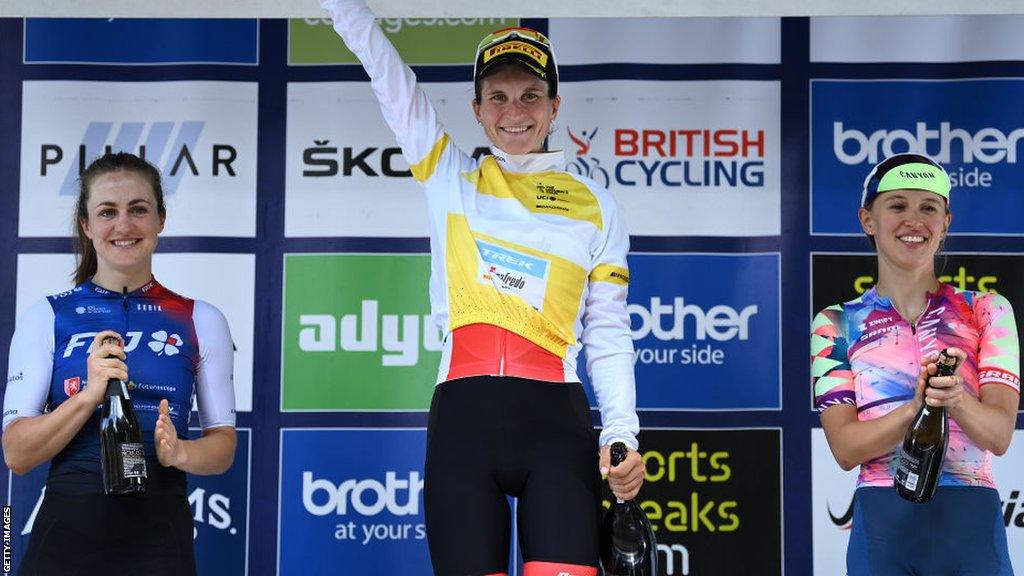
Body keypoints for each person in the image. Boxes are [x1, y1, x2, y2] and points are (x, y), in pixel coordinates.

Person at [319, 2, 645, 575]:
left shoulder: (597, 207)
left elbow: (609, 330)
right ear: (476, 108)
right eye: (497, 96)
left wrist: (621, 432)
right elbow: (389, 77)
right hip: (464, 426)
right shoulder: (450, 178)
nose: (514, 111)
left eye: (529, 96)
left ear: (554, 105)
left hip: (556, 427)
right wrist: (342, 7)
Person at [2, 152, 237, 575]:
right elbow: (17, 454)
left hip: (160, 536)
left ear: (161, 220)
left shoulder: (201, 318)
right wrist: (89, 395)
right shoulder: (48, 316)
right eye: (108, 212)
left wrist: (181, 452)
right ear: (86, 225)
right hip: (67, 534)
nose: (124, 226)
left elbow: (222, 449)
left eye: (139, 210)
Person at [811, 153, 1019, 575]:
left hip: (971, 524)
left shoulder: (986, 309)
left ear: (945, 223)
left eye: (929, 207)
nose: (914, 220)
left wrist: (955, 399)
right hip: (883, 527)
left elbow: (998, 436)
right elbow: (846, 449)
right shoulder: (834, 323)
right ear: (867, 219)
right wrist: (915, 408)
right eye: (898, 205)